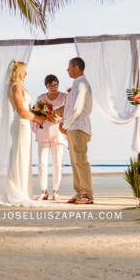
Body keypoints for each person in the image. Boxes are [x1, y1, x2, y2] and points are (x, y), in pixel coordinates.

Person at [0, 60, 44, 205]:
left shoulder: (13, 86)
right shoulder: (16, 86)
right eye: (24, 71)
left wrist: (40, 114)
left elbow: (25, 110)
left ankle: (21, 191)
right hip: (21, 124)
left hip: (22, 124)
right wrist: (38, 118)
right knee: (20, 156)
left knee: (22, 156)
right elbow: (20, 110)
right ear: (19, 72)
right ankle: (18, 192)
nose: (26, 74)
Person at [59, 57, 93, 204]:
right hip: (73, 127)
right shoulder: (76, 84)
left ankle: (87, 195)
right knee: (74, 162)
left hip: (78, 127)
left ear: (76, 68)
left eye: (69, 67)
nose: (67, 70)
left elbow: (77, 108)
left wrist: (65, 125)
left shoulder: (81, 84)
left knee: (80, 161)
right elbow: (68, 108)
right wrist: (62, 123)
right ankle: (79, 192)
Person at [32, 74, 67, 201]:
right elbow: (35, 114)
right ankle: (43, 192)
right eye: (50, 86)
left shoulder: (65, 97)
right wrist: (42, 117)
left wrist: (60, 119)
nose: (53, 88)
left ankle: (55, 192)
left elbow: (69, 113)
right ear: (46, 86)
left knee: (57, 163)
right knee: (42, 163)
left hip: (58, 133)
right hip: (44, 133)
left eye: (55, 84)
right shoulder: (41, 98)